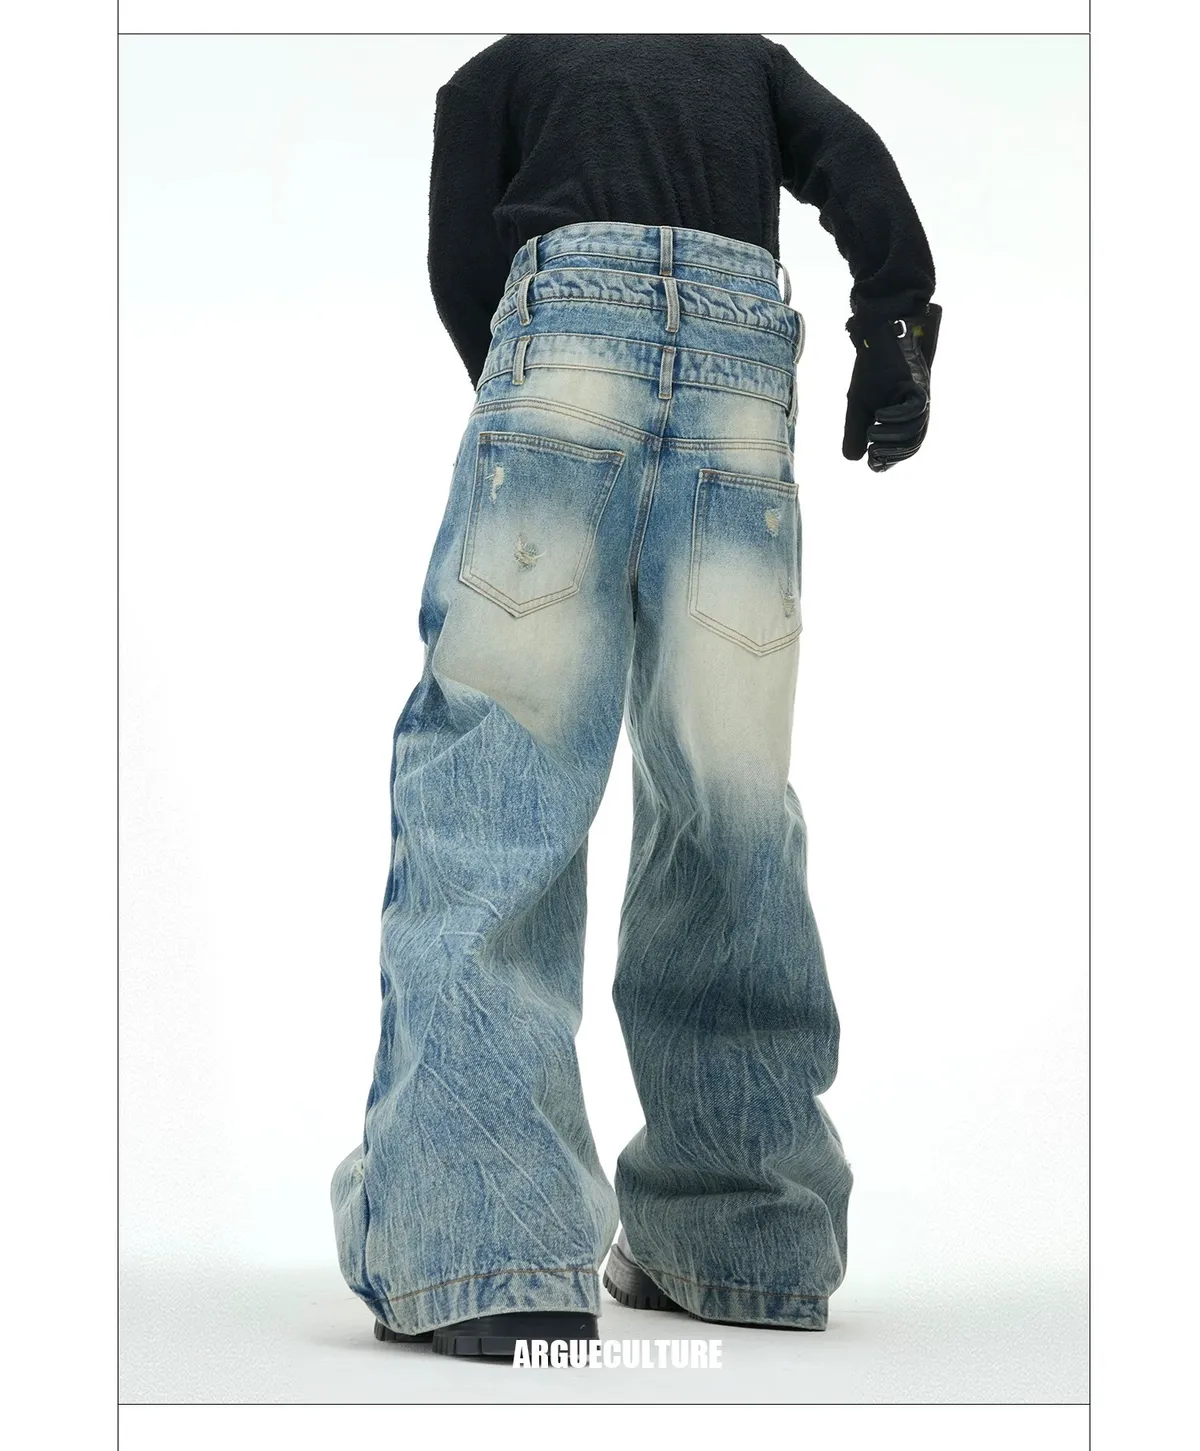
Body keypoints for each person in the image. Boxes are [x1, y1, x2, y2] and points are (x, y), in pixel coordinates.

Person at [331, 33, 942, 1360]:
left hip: (560, 353)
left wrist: (539, 408)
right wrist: (897, 329)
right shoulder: (748, 58)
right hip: (741, 383)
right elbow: (857, 167)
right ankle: (743, 1239)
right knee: (731, 808)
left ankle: (491, 1249)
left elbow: (461, 267)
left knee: (498, 789)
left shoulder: (502, 67)